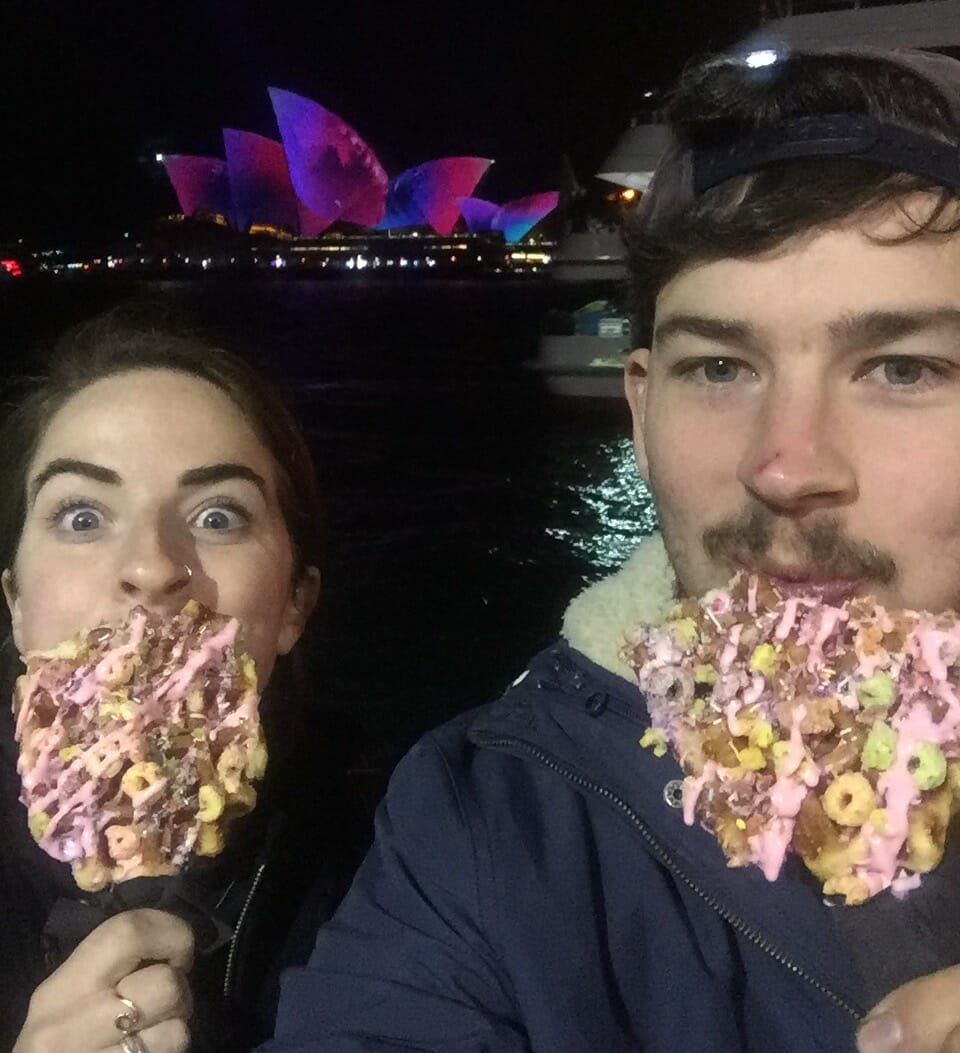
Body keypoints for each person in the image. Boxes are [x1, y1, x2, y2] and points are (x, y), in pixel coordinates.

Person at [258, 44, 960, 1053]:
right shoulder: (489, 824)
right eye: (720, 368)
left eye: (900, 369)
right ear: (641, 409)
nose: (786, 464)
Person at [0, 311, 371, 1053]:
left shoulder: (400, 867)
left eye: (218, 515)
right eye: (82, 516)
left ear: (294, 604)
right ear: (16, 603)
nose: (153, 566)